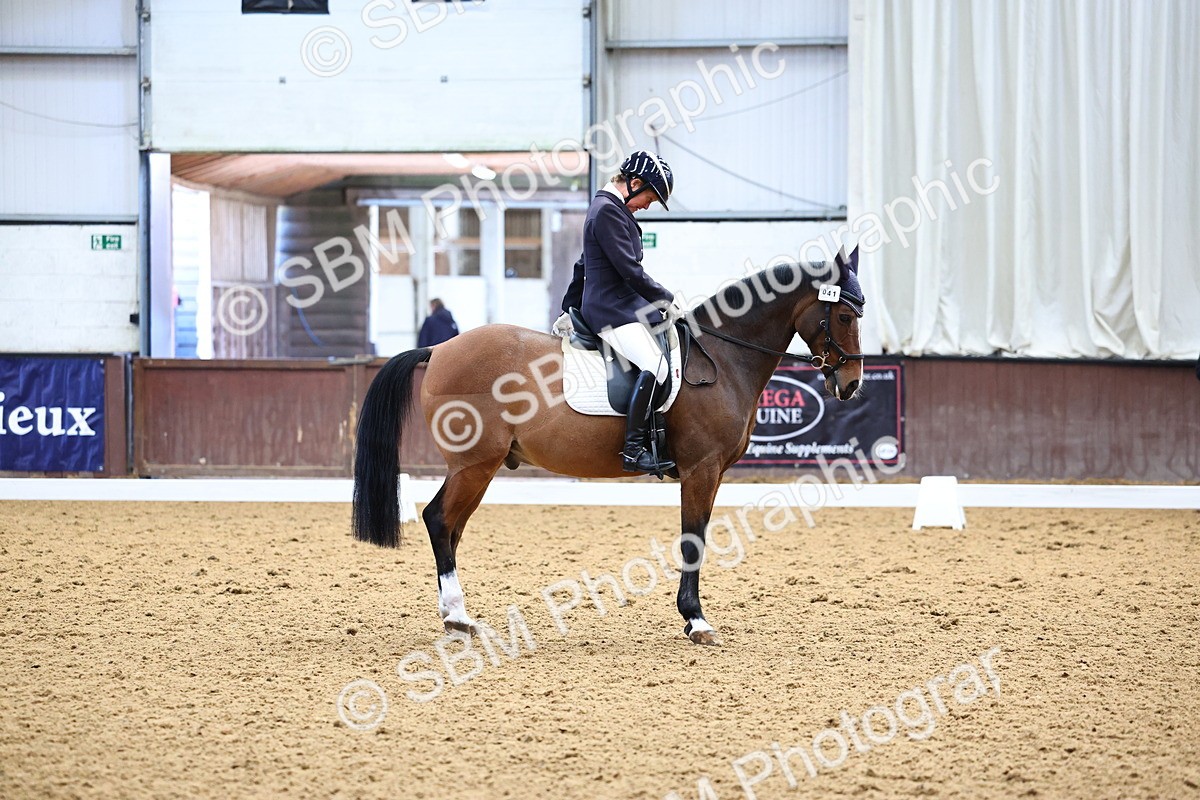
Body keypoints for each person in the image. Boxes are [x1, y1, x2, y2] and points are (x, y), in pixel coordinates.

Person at [554, 150, 684, 475]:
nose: (647, 206)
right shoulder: (608, 211)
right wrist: (666, 299)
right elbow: (629, 270)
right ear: (635, 183)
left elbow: (583, 265)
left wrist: (568, 306)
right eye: (649, 199)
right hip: (611, 311)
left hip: (621, 306)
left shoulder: (610, 208)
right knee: (656, 366)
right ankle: (634, 450)